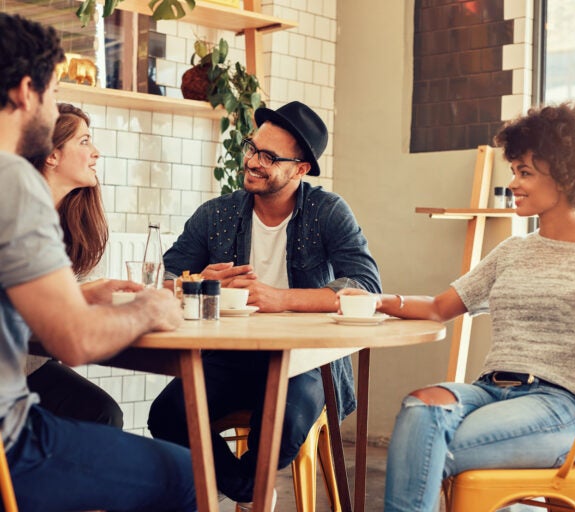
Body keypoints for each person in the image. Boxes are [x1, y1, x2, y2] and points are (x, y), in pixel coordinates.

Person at [338, 102, 575, 512]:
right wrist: (375, 300)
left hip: (557, 408)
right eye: (514, 171)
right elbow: (438, 307)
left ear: (565, 175)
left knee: (428, 448)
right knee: (420, 409)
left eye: (525, 173)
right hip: (487, 389)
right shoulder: (513, 251)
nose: (514, 183)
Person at [0, 13, 195, 511]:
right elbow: (76, 341)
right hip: (11, 446)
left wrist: (83, 295)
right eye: (52, 90)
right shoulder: (13, 180)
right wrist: (150, 308)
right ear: (26, 92)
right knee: (194, 478)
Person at [147, 100, 381, 507]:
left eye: (269, 157)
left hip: (305, 362)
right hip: (229, 357)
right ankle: (251, 491)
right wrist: (196, 284)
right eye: (252, 148)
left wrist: (280, 299)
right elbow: (161, 280)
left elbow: (365, 284)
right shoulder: (216, 215)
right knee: (167, 414)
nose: (253, 161)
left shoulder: (328, 212)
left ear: (300, 169)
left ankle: (244, 490)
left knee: (285, 424)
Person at [25, 102, 133, 428]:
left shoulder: (76, 221)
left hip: (31, 364)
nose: (95, 152)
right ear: (51, 154)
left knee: (103, 413)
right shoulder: (17, 214)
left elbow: (89, 290)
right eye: (84, 141)